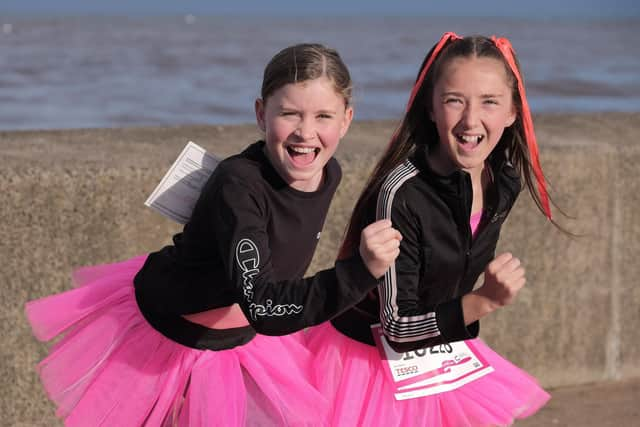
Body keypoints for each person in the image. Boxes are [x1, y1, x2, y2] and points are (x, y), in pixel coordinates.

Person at [25, 43, 401, 427]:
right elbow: (264, 306)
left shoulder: (328, 171)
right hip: (171, 337)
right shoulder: (238, 186)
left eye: (324, 116)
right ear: (261, 114)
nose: (306, 132)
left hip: (244, 342)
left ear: (347, 120)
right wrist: (359, 272)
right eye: (289, 113)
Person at [306, 33, 553, 426]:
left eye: (489, 102)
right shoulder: (400, 194)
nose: (471, 120)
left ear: (512, 112)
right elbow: (398, 327)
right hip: (368, 363)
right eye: (455, 100)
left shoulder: (502, 181)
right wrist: (484, 300)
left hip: (442, 351)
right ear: (432, 108)